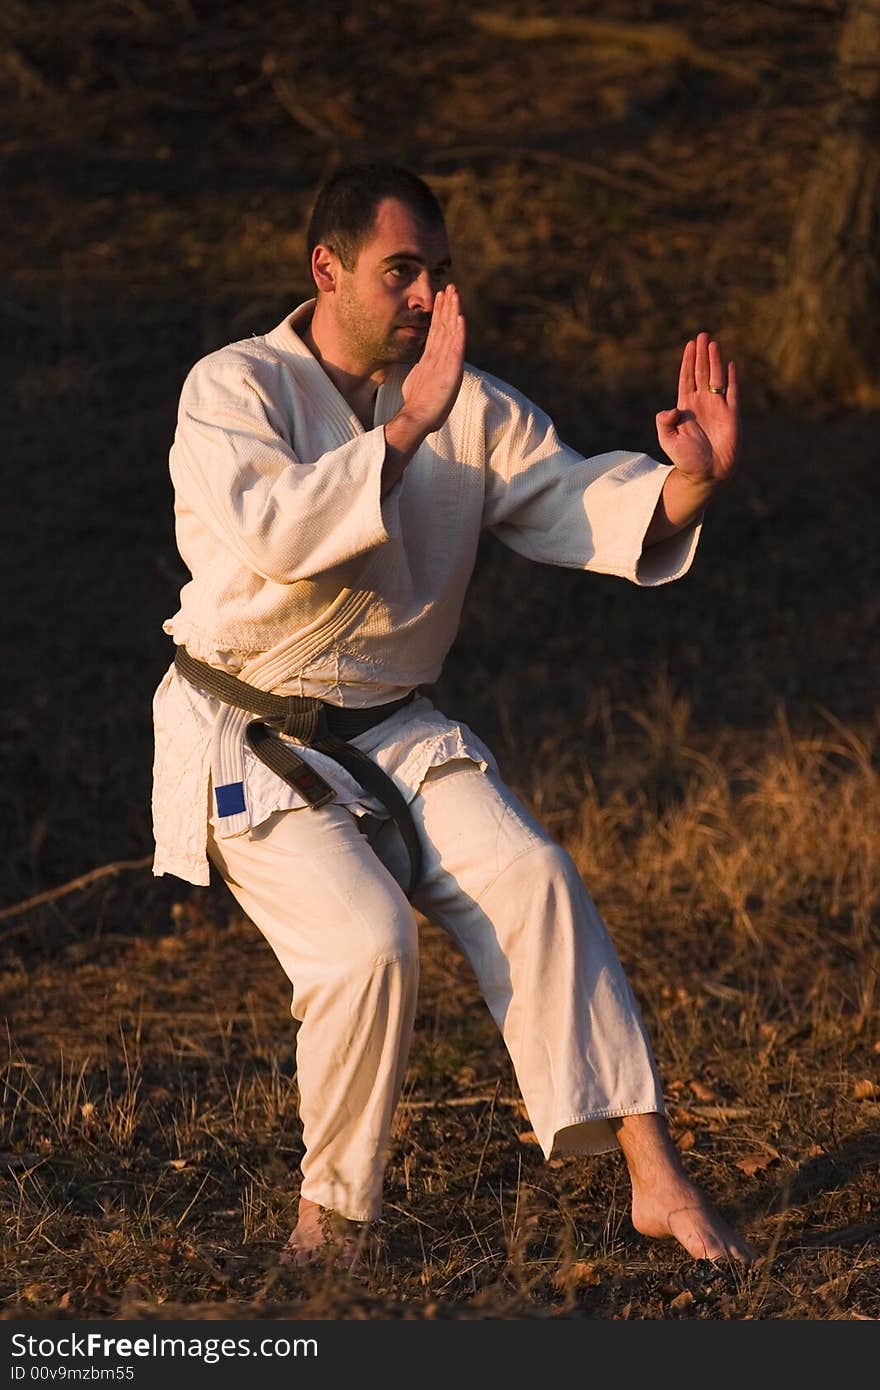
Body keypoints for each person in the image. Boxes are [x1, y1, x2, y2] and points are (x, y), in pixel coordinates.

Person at [151, 162, 758, 1271]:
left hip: (387, 723)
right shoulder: (230, 390)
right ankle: (328, 1227)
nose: (426, 296)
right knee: (368, 946)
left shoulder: (463, 403)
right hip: (243, 728)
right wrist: (398, 434)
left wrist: (690, 484)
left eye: (439, 273)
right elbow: (279, 536)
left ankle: (653, 1176)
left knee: (535, 876)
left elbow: (571, 498)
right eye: (400, 272)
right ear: (325, 268)